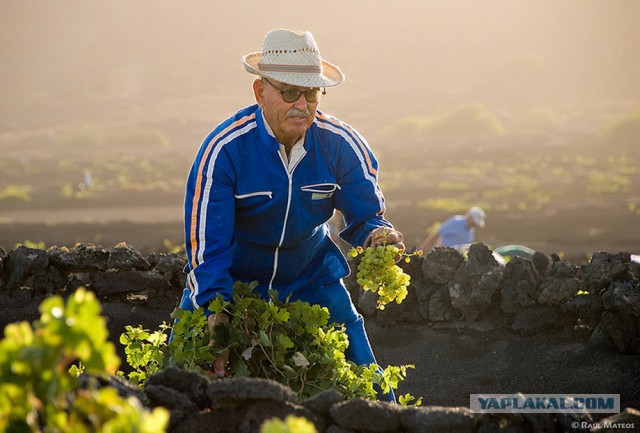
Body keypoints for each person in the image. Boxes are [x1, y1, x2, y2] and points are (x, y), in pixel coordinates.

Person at [177, 29, 404, 401]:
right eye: (289, 92)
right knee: (182, 376)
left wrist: (378, 235)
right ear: (260, 92)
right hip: (233, 278)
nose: (302, 104)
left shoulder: (341, 145)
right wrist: (215, 311)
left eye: (311, 93)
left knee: (367, 377)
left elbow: (366, 216)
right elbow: (207, 243)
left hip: (310, 274)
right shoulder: (225, 149)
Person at [418, 206, 485, 252]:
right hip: (440, 254)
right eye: (474, 222)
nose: (475, 225)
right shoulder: (456, 221)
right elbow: (438, 232)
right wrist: (424, 245)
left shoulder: (471, 232)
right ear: (469, 217)